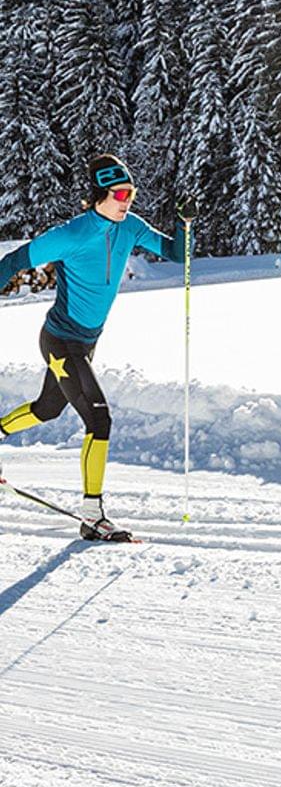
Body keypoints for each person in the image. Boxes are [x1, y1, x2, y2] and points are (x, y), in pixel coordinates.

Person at [0, 153, 193, 540]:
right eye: (121, 193)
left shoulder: (131, 227)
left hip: (87, 342)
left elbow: (176, 253)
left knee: (47, 410)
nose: (128, 200)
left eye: (131, 193)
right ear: (101, 193)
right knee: (99, 419)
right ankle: (93, 516)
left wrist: (183, 224)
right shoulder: (72, 233)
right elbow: (16, 258)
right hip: (60, 340)